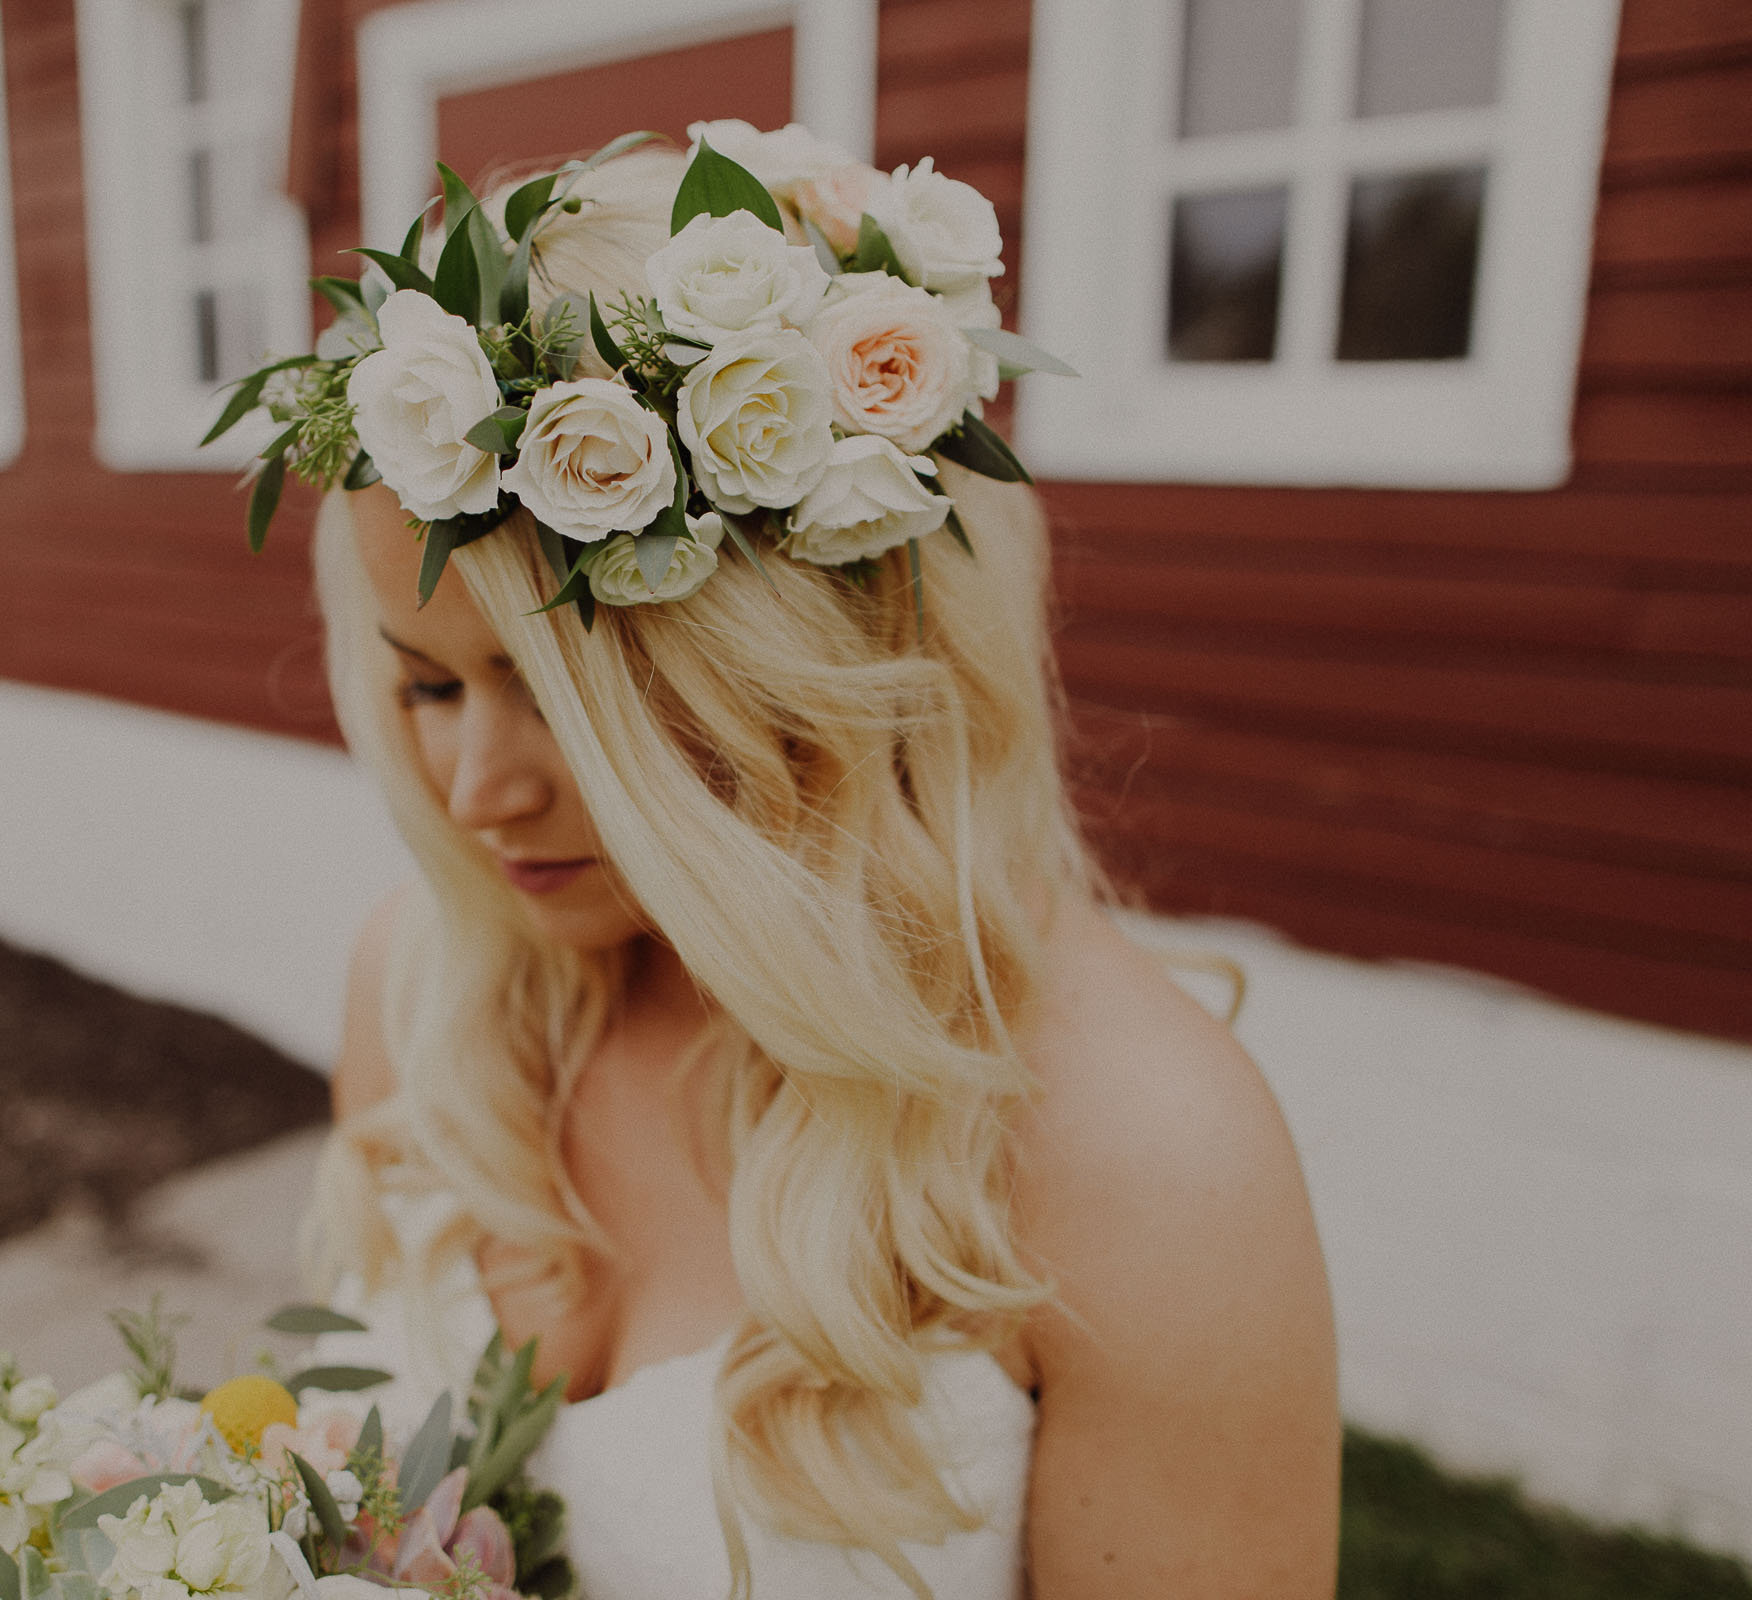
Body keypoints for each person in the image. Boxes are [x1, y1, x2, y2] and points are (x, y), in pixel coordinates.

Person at [292, 142, 1339, 1598]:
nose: (479, 793)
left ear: (820, 672)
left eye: (576, 700)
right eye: (428, 689)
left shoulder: (1141, 1155)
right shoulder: (419, 981)